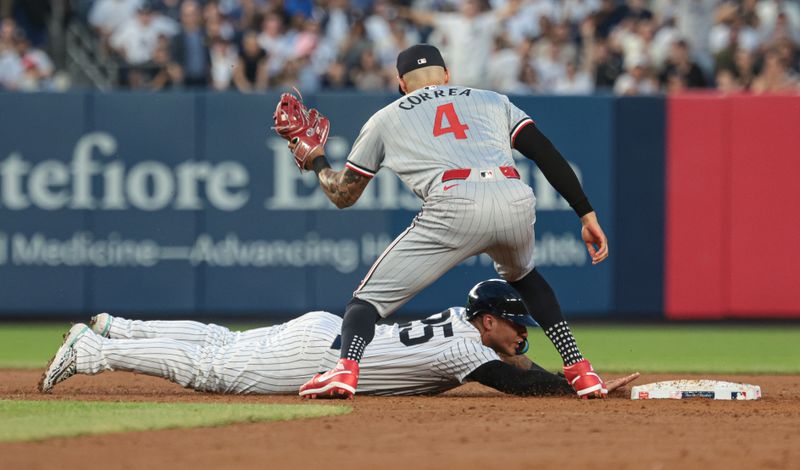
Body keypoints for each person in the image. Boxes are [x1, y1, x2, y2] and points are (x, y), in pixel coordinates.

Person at [286, 44, 611, 400]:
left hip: (454, 201)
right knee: (525, 276)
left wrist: (316, 160)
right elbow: (546, 153)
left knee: (364, 304)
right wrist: (585, 212)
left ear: (402, 84)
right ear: (446, 75)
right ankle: (581, 371)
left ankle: (345, 371)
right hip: (513, 195)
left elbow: (343, 195)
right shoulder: (492, 99)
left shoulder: (386, 117)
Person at [38, 280, 639, 397]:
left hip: (332, 335)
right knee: (212, 371)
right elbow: (517, 384)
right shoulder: (469, 349)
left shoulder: (464, 323)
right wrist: (577, 389)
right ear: (489, 322)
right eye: (517, 324)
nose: (523, 335)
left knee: (221, 339)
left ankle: (120, 326)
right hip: (319, 353)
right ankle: (98, 350)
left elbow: (517, 370)